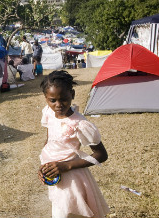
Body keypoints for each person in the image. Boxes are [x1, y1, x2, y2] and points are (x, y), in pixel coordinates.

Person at [38, 70, 109, 218]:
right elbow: (49, 141)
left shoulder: (79, 124)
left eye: (63, 99)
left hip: (72, 177)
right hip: (55, 175)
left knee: (66, 213)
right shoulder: (49, 113)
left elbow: (102, 155)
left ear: (72, 94)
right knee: (59, 210)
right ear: (46, 99)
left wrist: (66, 166)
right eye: (52, 100)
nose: (58, 105)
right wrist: (45, 168)